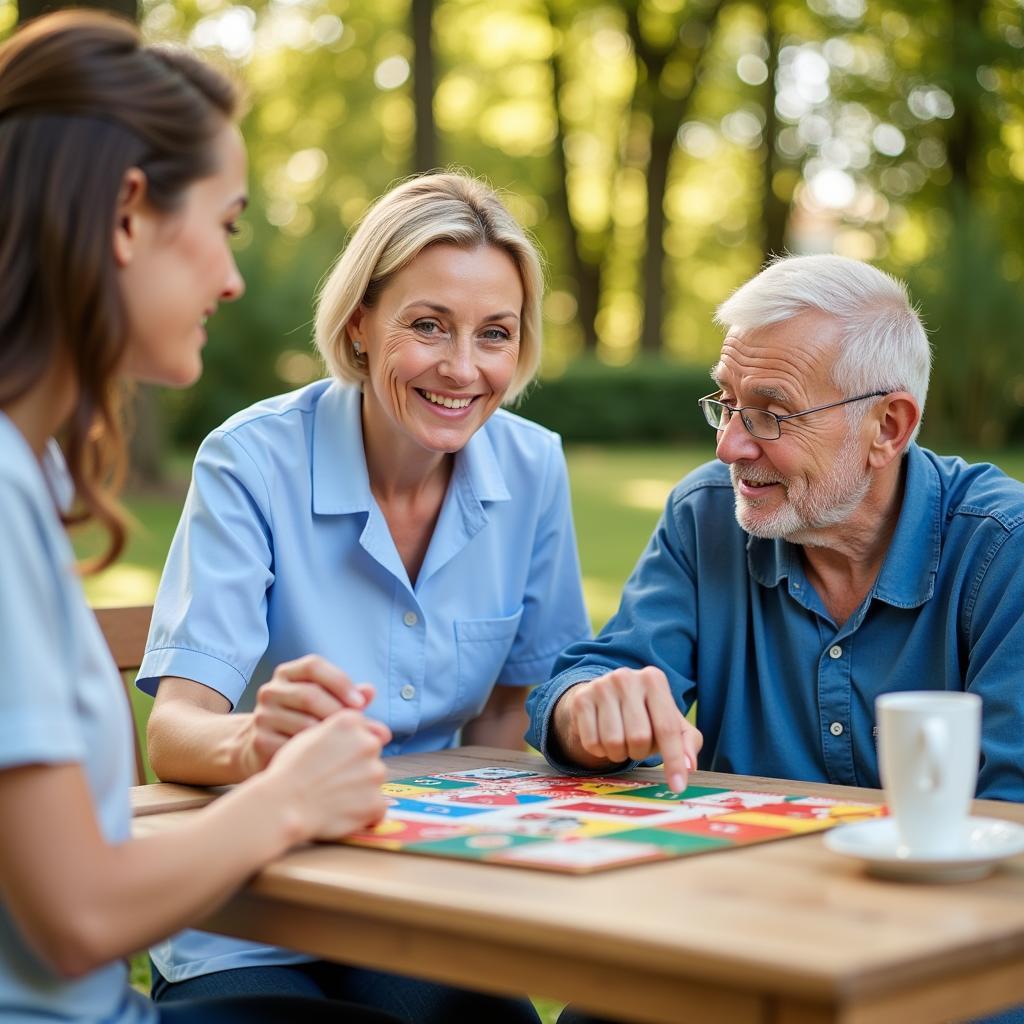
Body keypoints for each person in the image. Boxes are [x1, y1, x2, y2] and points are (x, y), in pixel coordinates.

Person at [0, 12, 404, 1024]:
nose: (231, 276)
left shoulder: (29, 474)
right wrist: (289, 798)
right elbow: (80, 913)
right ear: (128, 213)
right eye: (225, 225)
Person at [134, 172, 590, 1021]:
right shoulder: (252, 461)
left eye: (495, 334)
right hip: (253, 907)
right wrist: (258, 743)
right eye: (427, 326)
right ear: (359, 323)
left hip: (421, 900)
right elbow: (176, 732)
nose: (462, 368)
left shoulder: (533, 468)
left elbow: (505, 716)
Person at [529, 254, 1024, 1024]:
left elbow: (1008, 821)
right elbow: (593, 677)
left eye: (771, 413)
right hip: (740, 937)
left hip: (946, 967)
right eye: (725, 405)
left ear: (886, 427)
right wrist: (587, 710)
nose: (730, 446)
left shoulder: (1003, 551)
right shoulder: (705, 517)